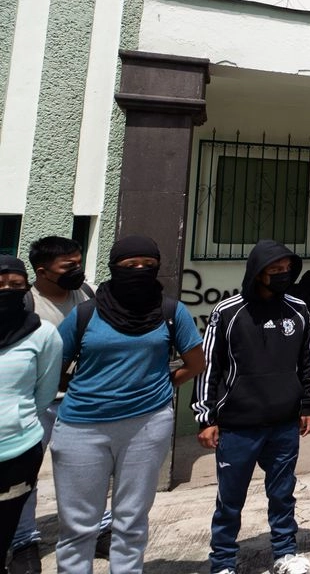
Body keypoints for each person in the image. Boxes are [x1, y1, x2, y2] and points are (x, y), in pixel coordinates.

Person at [52, 236, 205, 574]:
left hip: (147, 425)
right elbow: (53, 368)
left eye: (148, 265)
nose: (139, 270)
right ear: (113, 266)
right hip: (82, 427)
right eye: (130, 264)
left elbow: (196, 363)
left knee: (131, 519)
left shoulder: (170, 311)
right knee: (78, 524)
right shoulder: (86, 313)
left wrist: (163, 384)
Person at [191, 240, 310, 574]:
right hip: (238, 425)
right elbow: (209, 367)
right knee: (230, 499)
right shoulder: (228, 312)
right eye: (275, 270)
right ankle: (222, 562)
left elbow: (307, 362)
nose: (282, 275)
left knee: (282, 493)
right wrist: (205, 417)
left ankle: (285, 553)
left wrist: (307, 404)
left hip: (284, 422)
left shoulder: (298, 310)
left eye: (287, 269)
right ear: (257, 272)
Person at [12, 237, 109, 573]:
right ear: (42, 271)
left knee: (89, 471)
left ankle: (100, 528)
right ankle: (23, 540)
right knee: (25, 475)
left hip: (83, 401)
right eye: (68, 266)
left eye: (79, 263)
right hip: (36, 404)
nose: (77, 271)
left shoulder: (88, 294)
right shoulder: (26, 303)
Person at [0, 256, 62, 571]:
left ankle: (20, 544)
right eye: (0, 284)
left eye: (15, 285)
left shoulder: (42, 334)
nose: (7, 290)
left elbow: (44, 392)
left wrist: (16, 420)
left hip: (17, 452)